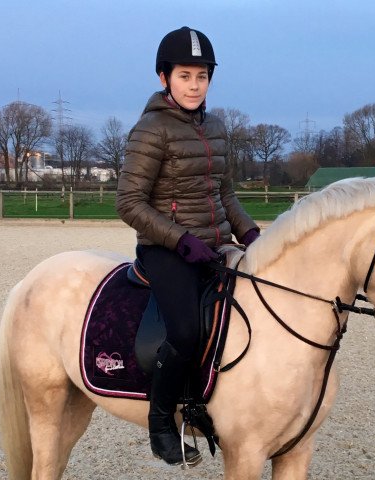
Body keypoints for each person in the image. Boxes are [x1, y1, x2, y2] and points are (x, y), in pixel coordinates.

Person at [116, 26, 260, 466]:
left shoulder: (216, 127)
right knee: (185, 330)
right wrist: (180, 241)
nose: (194, 85)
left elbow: (225, 193)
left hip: (218, 243)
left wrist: (252, 233)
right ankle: (162, 423)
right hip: (165, 249)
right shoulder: (150, 129)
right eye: (185, 76)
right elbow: (128, 202)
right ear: (164, 78)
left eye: (202, 76)